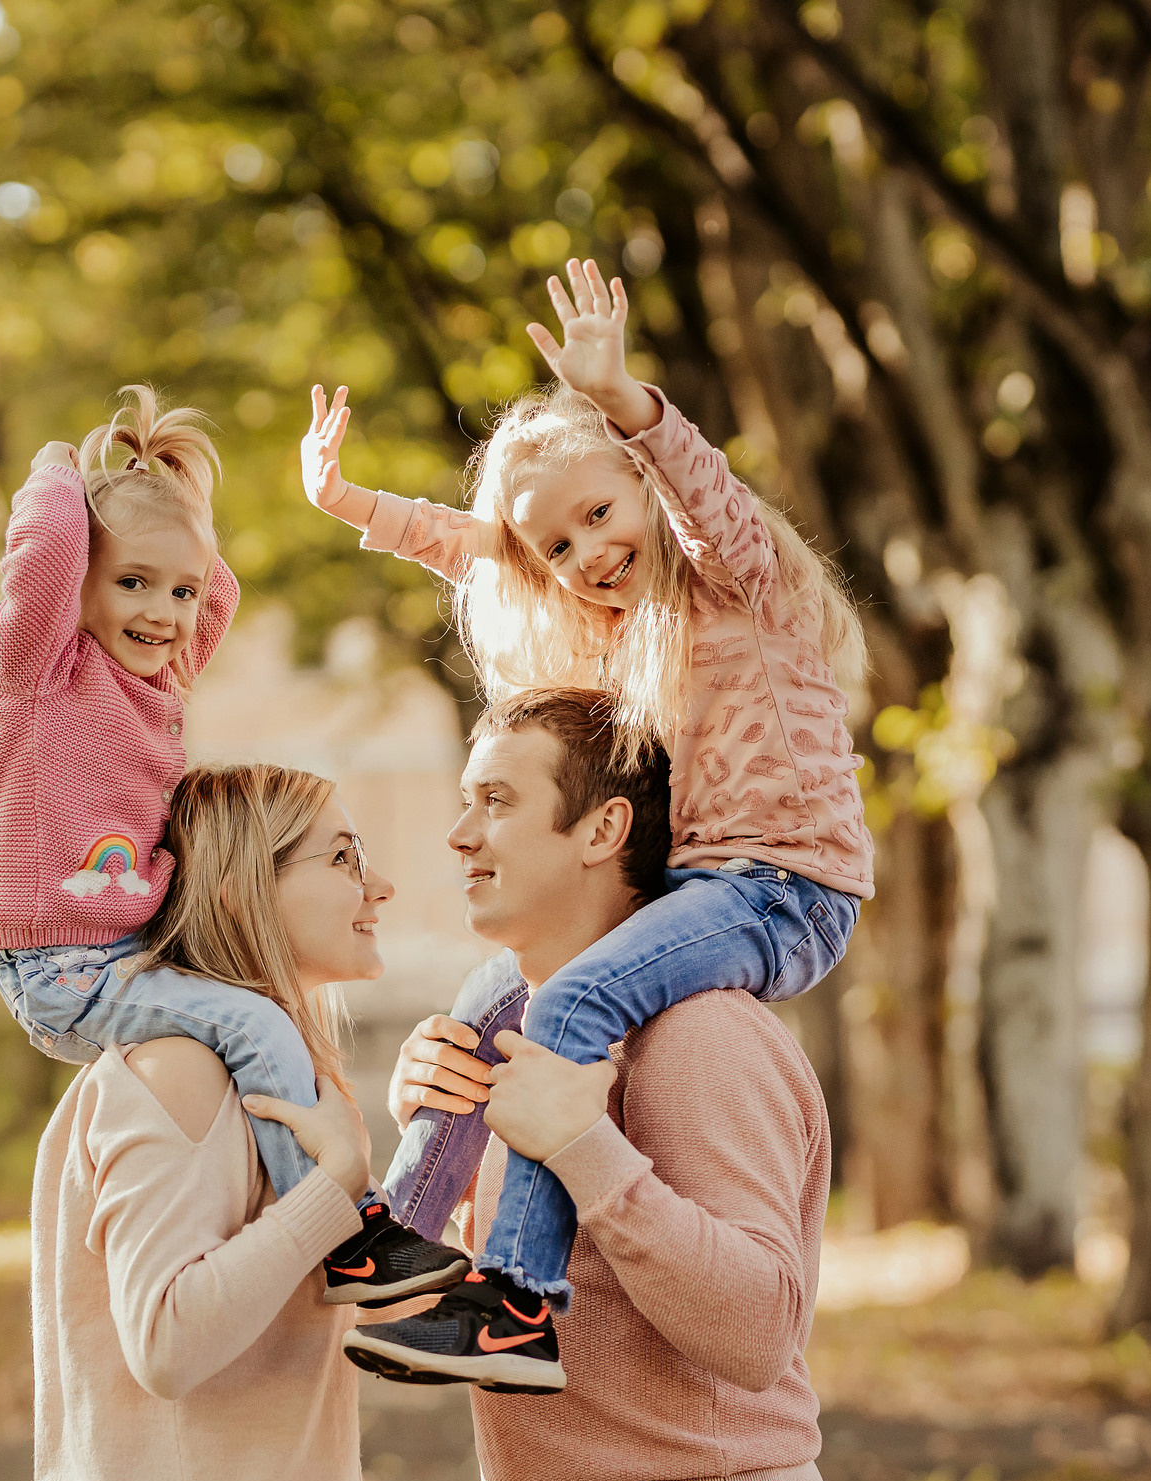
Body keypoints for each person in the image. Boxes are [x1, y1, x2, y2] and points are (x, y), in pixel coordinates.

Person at [302, 261, 873, 1385]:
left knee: (573, 997)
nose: (585, 556)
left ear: (641, 490)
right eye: (559, 548)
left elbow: (702, 493)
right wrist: (353, 507)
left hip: (784, 888)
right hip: (702, 887)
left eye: (599, 515)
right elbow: (484, 550)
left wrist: (625, 402)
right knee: (486, 999)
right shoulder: (610, 622)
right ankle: (406, 1242)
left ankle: (517, 1300)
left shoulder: (732, 584)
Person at [370, 688, 843, 1481]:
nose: (459, 836)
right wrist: (438, 1136)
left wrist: (582, 1145)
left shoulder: (697, 1037)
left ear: (602, 827)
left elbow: (759, 1327)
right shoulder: (525, 1034)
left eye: (496, 801)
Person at [0, 384, 463, 1308]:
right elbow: (40, 558)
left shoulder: (159, 681)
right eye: (131, 583)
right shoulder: (41, 673)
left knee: (267, 1011)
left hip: (124, 945)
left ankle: (326, 1205)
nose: (163, 614)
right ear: (78, 579)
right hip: (59, 964)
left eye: (179, 592)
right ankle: (344, 1234)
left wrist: (176, 503)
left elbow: (220, 587)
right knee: (252, 1023)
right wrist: (59, 474)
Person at [29, 762, 402, 1481]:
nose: (379, 886)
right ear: (244, 883)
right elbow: (168, 1336)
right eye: (343, 857)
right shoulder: (180, 1068)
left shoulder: (251, 1077)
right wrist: (330, 1194)